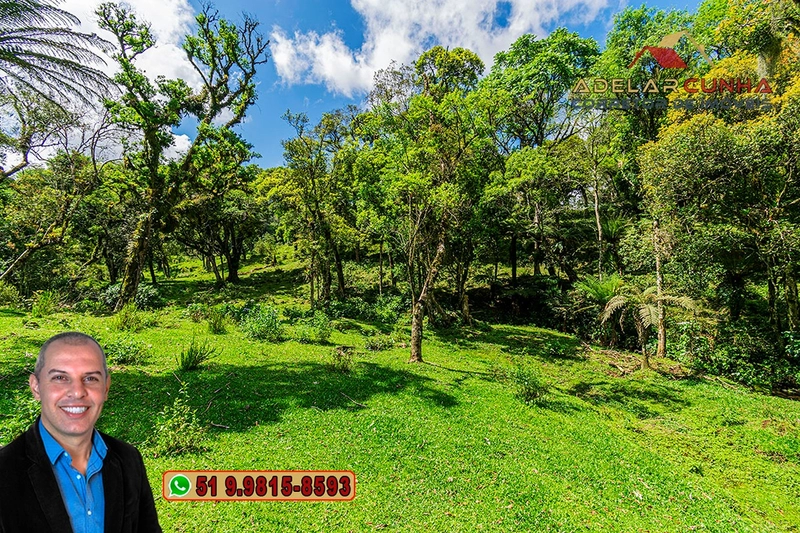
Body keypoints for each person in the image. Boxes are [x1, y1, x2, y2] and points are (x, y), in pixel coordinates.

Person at [0, 332, 162, 533]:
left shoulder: (129, 459)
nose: (77, 392)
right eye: (60, 378)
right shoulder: (4, 470)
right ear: (36, 387)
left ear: (106, 388)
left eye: (90, 378)